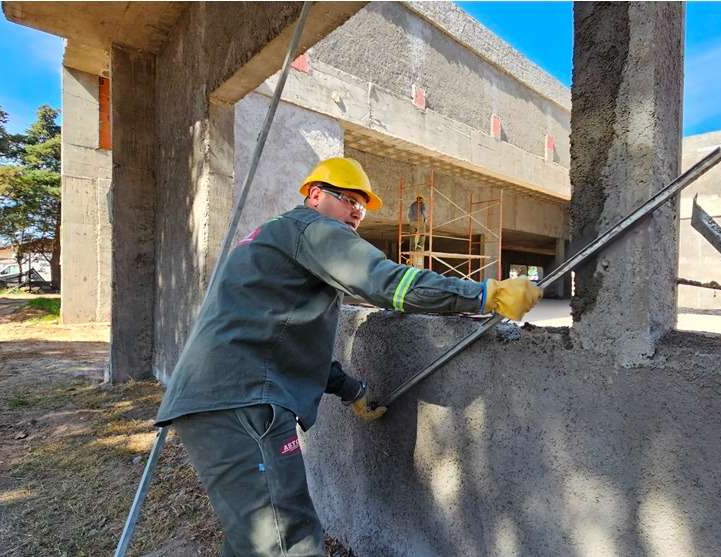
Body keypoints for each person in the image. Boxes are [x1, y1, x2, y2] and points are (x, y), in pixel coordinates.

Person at [154, 157, 541, 556]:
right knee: (288, 543)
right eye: (348, 199)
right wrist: (484, 294)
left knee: (253, 539)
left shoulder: (274, 237)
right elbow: (389, 283)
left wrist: (351, 390)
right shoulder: (314, 230)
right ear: (315, 194)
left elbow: (280, 340)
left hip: (219, 400)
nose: (357, 211)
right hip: (244, 404)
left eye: (362, 205)